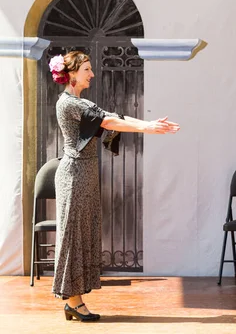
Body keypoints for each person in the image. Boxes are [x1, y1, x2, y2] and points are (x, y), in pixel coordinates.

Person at [48, 51, 180, 321]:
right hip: (74, 175)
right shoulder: (69, 103)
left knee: (83, 234)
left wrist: (149, 124)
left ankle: (75, 300)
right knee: (74, 235)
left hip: (84, 174)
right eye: (87, 69)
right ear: (72, 73)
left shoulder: (79, 102)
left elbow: (112, 115)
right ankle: (74, 302)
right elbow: (109, 122)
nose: (92, 74)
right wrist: (148, 129)